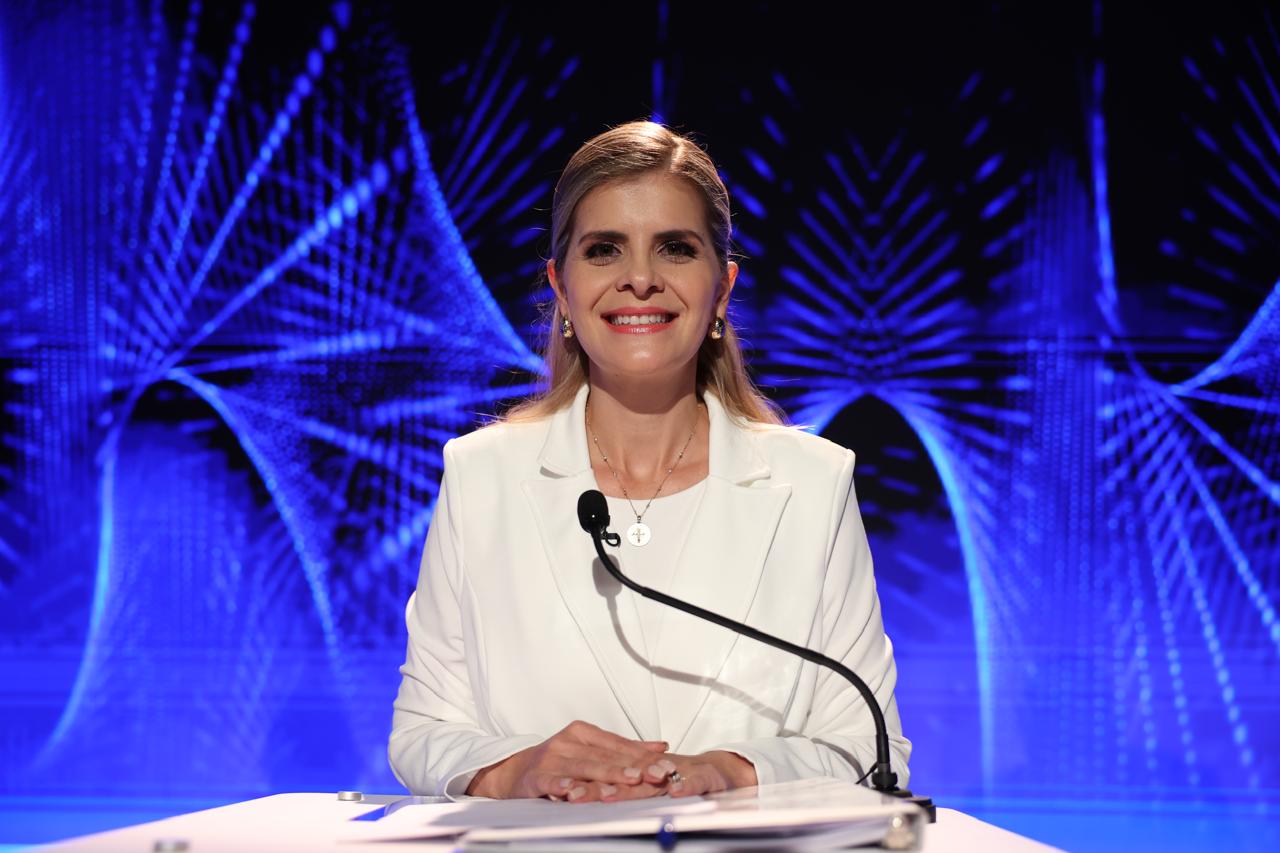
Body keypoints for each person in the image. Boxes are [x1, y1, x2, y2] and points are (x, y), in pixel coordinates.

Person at [388, 120, 911, 803]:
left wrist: (732, 772)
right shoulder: (482, 475)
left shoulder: (813, 483)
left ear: (721, 287)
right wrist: (516, 768)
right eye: (604, 250)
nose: (640, 279)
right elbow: (423, 730)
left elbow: (869, 744)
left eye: (676, 248)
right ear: (561, 286)